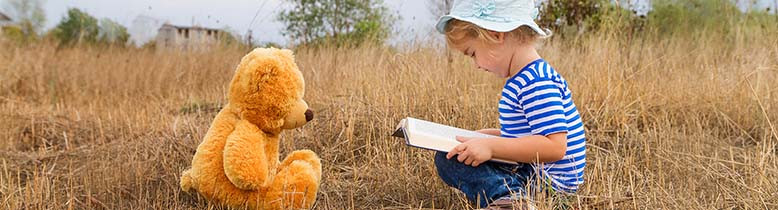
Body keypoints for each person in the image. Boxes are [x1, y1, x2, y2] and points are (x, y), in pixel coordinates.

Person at [432, 0, 586, 208]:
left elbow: (554, 146)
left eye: (473, 53)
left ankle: (512, 199)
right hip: (532, 171)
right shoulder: (523, 78)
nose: (476, 65)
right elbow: (526, 136)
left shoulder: (535, 82)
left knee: (450, 160)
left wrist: (491, 146)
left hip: (547, 185)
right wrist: (485, 137)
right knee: (450, 155)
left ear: (495, 35)